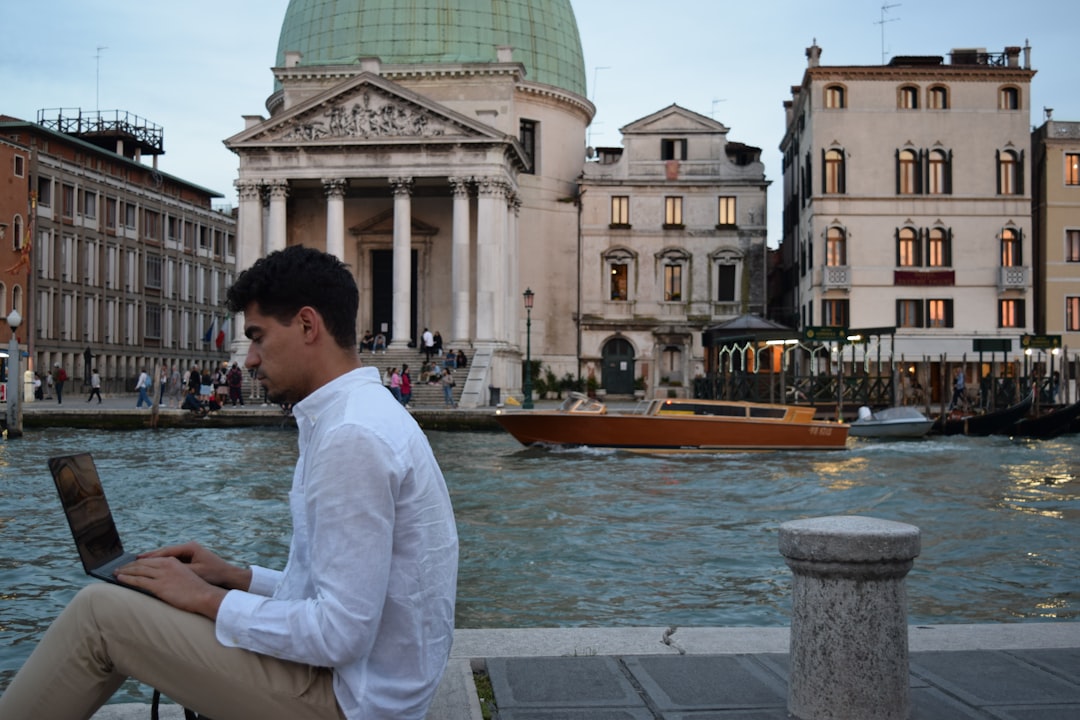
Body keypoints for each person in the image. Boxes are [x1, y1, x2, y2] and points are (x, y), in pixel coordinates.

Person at [0, 245, 459, 720]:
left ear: (307, 325)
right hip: (375, 688)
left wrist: (205, 597)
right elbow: (349, 597)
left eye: (258, 337)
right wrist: (235, 578)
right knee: (129, 599)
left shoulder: (350, 437)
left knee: (99, 615)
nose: (252, 360)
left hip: (349, 702)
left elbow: (340, 633)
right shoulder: (365, 414)